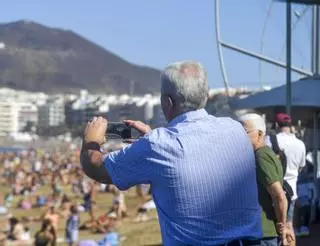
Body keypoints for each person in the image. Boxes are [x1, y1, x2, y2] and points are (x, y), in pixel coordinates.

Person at [80, 60, 262, 245]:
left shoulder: (158, 145)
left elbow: (96, 167)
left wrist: (91, 141)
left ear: (167, 102)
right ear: (205, 95)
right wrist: (153, 139)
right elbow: (197, 154)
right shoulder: (235, 130)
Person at [239, 114, 292, 246]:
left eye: (244, 132)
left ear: (260, 133)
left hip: (262, 234)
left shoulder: (261, 156)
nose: (240, 136)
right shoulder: (263, 153)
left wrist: (283, 225)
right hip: (260, 233)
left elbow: (279, 195)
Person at [275, 113, 306, 238]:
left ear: (277, 125)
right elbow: (301, 166)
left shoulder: (272, 140)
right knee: (289, 226)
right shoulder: (300, 144)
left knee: (276, 229)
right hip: (292, 189)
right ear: (290, 124)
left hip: (275, 189)